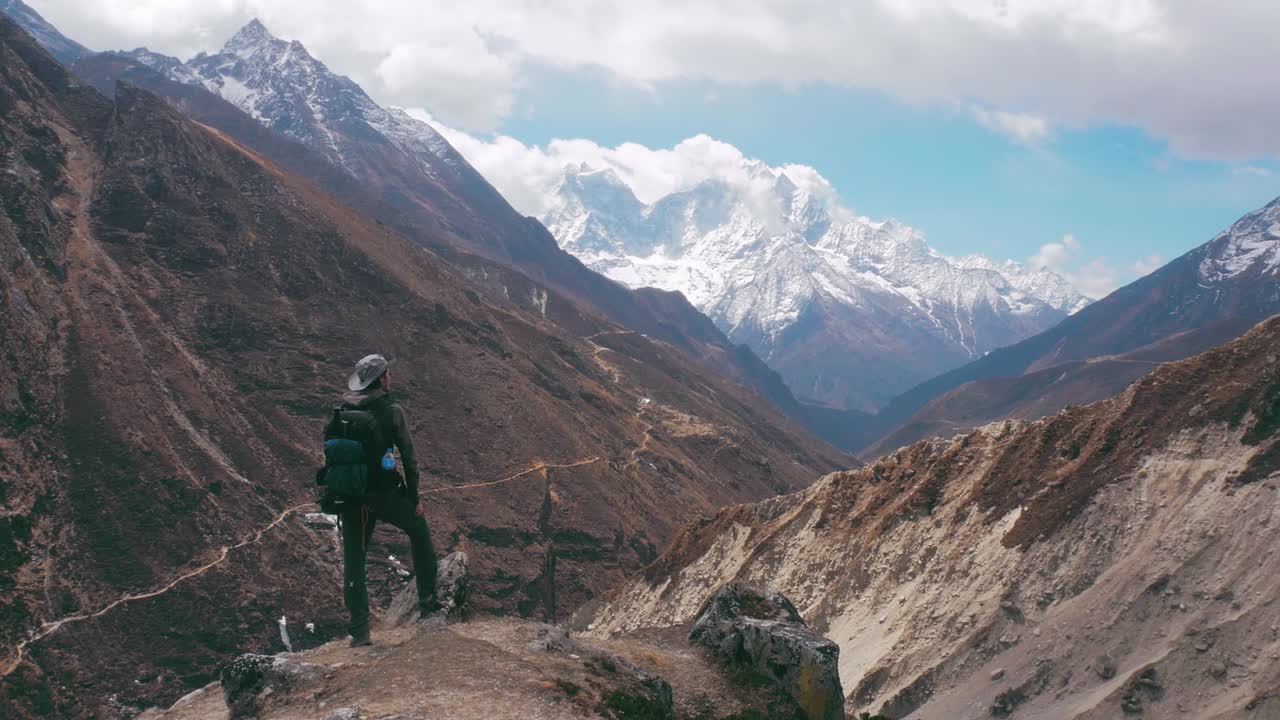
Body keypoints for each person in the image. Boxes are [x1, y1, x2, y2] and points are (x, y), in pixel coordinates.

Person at [334, 354, 439, 646]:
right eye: (388, 375)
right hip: (384, 493)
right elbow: (410, 458)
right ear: (381, 379)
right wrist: (414, 497)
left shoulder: (344, 409)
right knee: (419, 531)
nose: (391, 379)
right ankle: (429, 608)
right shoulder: (392, 411)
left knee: (354, 560)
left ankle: (359, 632)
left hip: (351, 497)